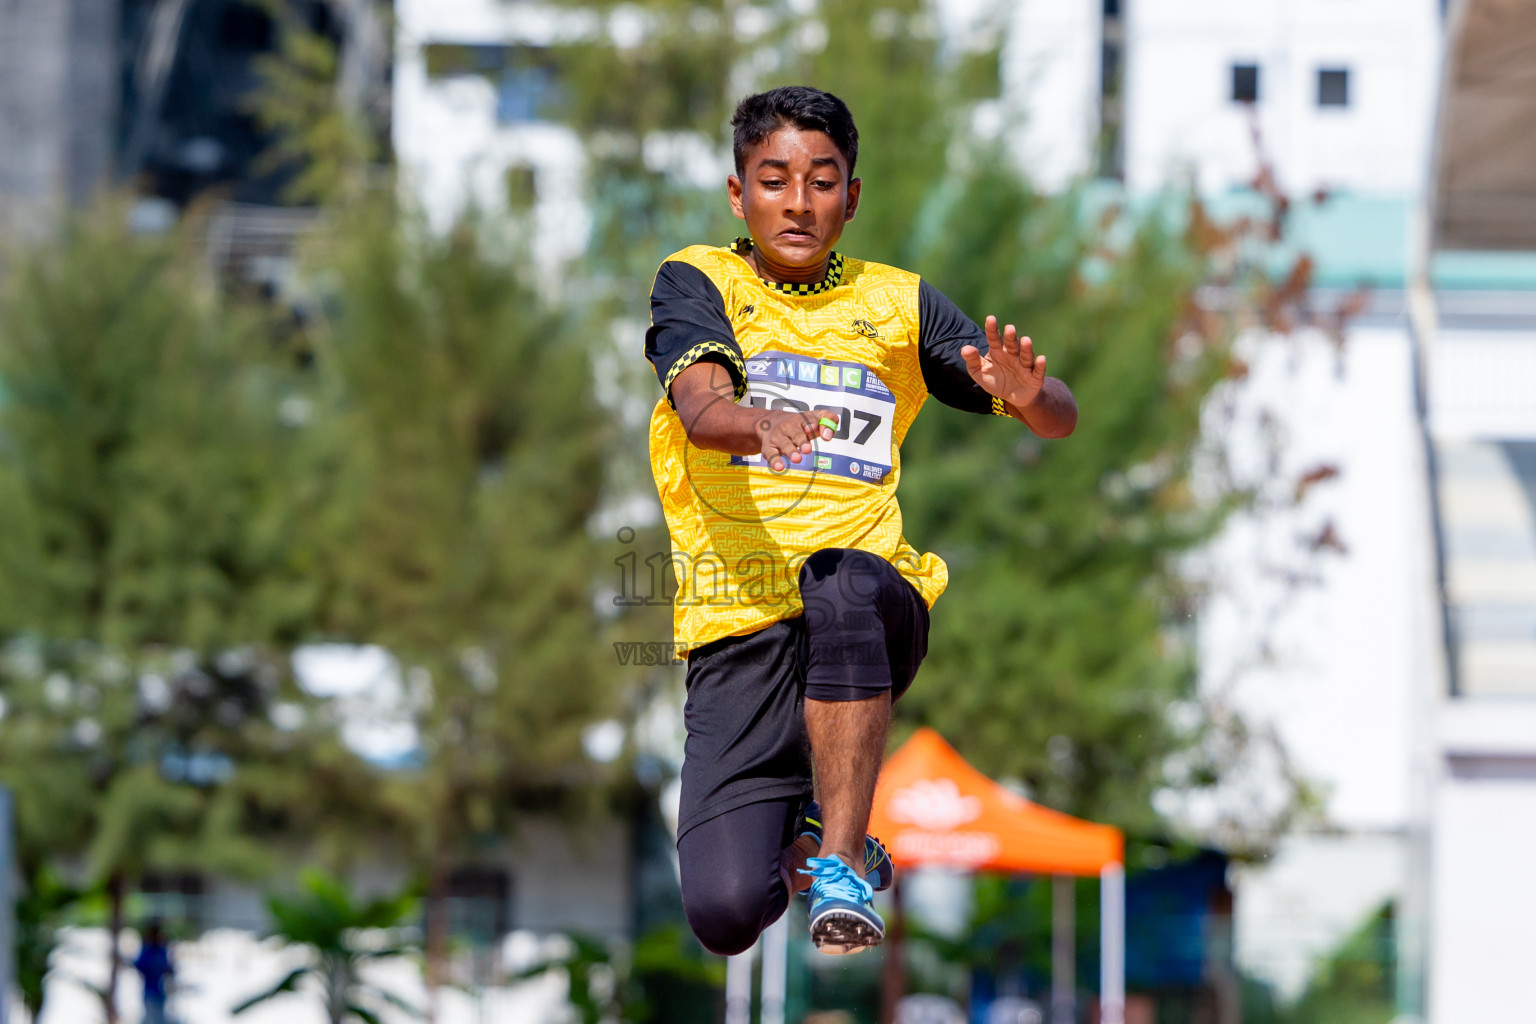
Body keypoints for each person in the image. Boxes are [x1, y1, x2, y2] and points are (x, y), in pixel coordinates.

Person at [643, 86, 1078, 956]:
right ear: (739, 194)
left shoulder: (898, 306)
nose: (799, 203)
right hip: (739, 629)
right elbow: (699, 404)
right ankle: (816, 834)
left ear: (853, 196)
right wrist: (756, 422)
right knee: (725, 913)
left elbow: (1059, 414)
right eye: (774, 180)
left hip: (870, 606)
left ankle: (840, 864)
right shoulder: (700, 280)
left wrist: (1033, 398)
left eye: (822, 180)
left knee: (839, 581)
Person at [133, 919, 175, 1024]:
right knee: (151, 1018)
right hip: (150, 992)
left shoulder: (161, 951)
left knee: (159, 1018)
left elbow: (168, 969)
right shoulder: (148, 951)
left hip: (160, 992)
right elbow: (140, 966)